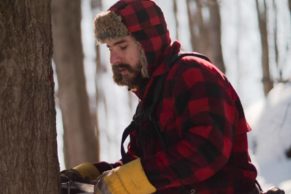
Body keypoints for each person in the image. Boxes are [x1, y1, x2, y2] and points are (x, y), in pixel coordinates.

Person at [60, 0, 261, 193]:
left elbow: (207, 151)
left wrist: (133, 179)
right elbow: (141, 164)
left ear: (147, 43)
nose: (114, 59)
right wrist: (91, 175)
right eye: (110, 49)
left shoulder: (193, 73)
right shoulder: (152, 96)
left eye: (122, 47)